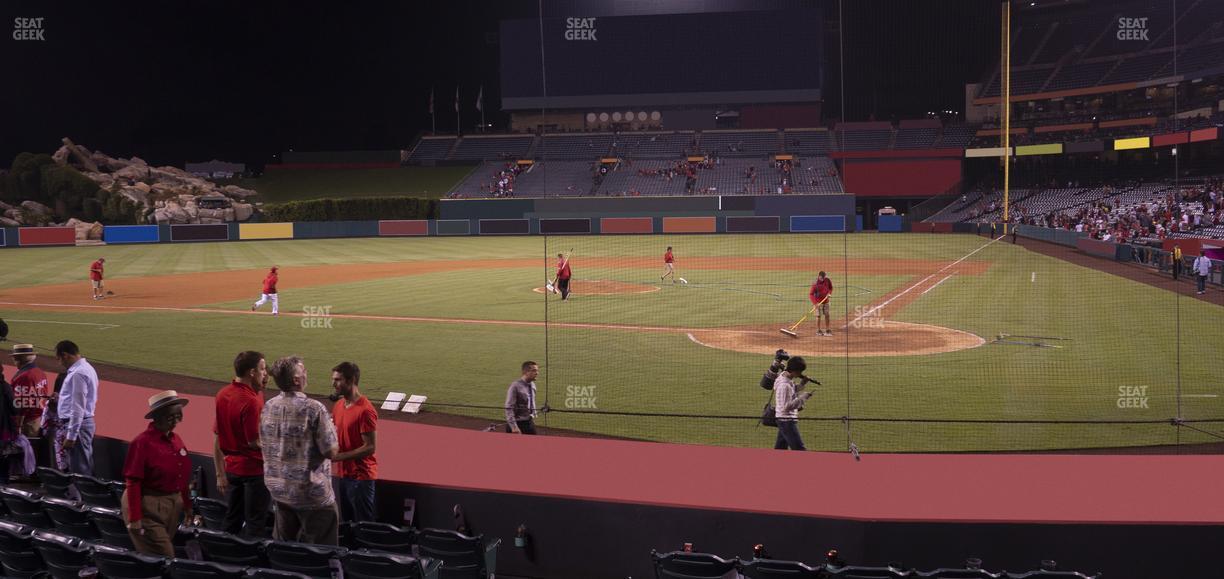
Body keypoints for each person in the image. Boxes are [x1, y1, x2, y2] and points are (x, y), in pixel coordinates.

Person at [261, 356, 340, 545]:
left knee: (286, 552)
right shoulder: (314, 409)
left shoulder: (268, 406)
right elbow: (331, 451)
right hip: (311, 495)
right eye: (303, 371)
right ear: (296, 380)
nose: (306, 374)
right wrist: (332, 429)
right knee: (322, 554)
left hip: (280, 492)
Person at [122, 390, 193, 557]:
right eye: (171, 417)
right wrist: (135, 518)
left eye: (178, 416)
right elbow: (133, 481)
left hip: (172, 506)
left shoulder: (176, 440)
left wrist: (187, 506)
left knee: (158, 557)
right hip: (148, 506)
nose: (176, 421)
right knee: (165, 557)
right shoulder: (142, 443)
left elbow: (182, 477)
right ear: (159, 416)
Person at [213, 351, 271, 537]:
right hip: (254, 470)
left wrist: (220, 473)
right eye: (262, 369)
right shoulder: (251, 401)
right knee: (255, 523)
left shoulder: (223, 394)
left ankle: (225, 555)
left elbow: (217, 435)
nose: (266, 373)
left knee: (232, 518)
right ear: (252, 372)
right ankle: (251, 562)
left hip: (232, 469)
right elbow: (253, 442)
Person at [330, 362, 378, 523]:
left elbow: (370, 447)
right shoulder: (338, 405)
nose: (333, 384)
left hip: (361, 477)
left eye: (338, 380)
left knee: (362, 525)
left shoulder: (365, 410)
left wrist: (339, 457)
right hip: (344, 475)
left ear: (351, 381)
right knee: (348, 523)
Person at [54, 340, 97, 476]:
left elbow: (78, 406)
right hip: (80, 424)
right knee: (81, 466)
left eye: (59, 359)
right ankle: (82, 496)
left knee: (79, 469)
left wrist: (71, 435)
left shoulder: (78, 373)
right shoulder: (86, 368)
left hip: (77, 426)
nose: (60, 363)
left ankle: (82, 497)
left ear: (65, 355)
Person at [773, 356, 814, 451]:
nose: (800, 374)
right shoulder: (785, 385)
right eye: (800, 371)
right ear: (794, 370)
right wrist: (803, 398)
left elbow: (792, 391)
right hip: (786, 421)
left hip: (783, 420)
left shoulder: (785, 376)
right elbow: (786, 407)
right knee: (799, 449)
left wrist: (802, 384)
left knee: (780, 448)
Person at [9, 344, 49, 439]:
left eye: (14, 357)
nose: (13, 359)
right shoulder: (40, 372)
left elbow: (23, 403)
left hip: (27, 422)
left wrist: (18, 425)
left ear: (19, 358)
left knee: (23, 449)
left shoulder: (24, 376)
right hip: (37, 417)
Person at [504, 361, 540, 435]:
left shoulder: (533, 385)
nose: (537, 373)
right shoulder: (515, 386)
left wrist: (534, 412)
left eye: (537, 370)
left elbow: (530, 402)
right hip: (517, 424)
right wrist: (514, 427)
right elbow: (509, 407)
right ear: (526, 372)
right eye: (534, 371)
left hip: (529, 422)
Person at [809, 271, 834, 336]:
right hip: (817, 302)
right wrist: (815, 303)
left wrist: (829, 293)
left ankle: (827, 329)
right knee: (818, 316)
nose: (823, 279)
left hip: (826, 301)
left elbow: (831, 288)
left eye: (824, 278)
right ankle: (818, 330)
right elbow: (811, 294)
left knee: (827, 315)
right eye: (821, 278)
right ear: (819, 276)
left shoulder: (827, 280)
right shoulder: (815, 283)